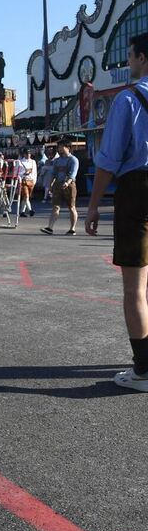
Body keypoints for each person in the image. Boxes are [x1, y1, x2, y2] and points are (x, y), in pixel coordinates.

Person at [86, 33, 148, 392]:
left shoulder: (128, 99)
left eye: (130, 56)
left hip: (137, 190)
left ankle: (143, 369)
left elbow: (108, 159)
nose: (128, 62)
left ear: (142, 57)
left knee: (135, 287)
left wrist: (93, 205)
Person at [43, 139, 80, 235]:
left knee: (72, 207)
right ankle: (49, 228)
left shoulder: (73, 160)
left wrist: (67, 182)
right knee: (55, 206)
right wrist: (50, 184)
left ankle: (72, 229)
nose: (59, 149)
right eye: (58, 147)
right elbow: (53, 174)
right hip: (58, 185)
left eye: (61, 147)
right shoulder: (56, 161)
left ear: (67, 147)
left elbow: (73, 174)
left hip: (69, 185)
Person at [16, 148, 38, 217]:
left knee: (26, 198)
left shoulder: (33, 162)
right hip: (24, 181)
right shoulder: (20, 162)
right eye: (27, 153)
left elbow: (35, 172)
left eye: (29, 153)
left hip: (31, 181)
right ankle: (30, 210)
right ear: (24, 154)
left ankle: (22, 212)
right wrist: (23, 173)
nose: (28, 155)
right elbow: (17, 172)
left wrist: (34, 181)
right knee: (26, 195)